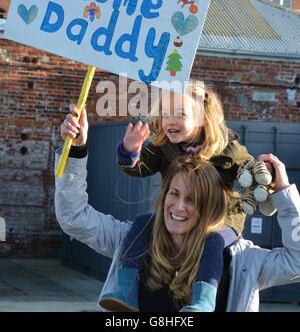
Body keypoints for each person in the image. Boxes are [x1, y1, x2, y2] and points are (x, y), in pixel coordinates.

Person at [56, 104, 300, 312]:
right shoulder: (132, 240)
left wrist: (284, 194)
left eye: (193, 200)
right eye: (174, 193)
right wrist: (76, 150)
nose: (179, 206)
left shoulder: (243, 260)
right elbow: (74, 217)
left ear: (211, 208)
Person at [111, 80, 258, 311]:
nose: (170, 120)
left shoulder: (227, 148)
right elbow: (140, 166)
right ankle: (124, 290)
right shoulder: (164, 146)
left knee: (213, 240)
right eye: (166, 113)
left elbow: (251, 171)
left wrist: (262, 180)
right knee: (142, 223)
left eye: (180, 114)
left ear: (202, 117)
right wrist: (129, 152)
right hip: (181, 217)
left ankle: (203, 301)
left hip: (220, 221)